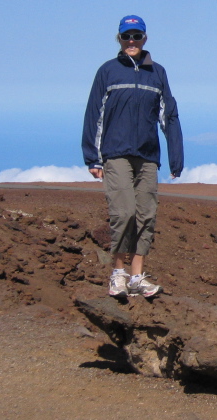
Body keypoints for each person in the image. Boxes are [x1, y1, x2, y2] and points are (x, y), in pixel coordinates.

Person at [82, 15, 184, 298]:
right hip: (115, 153)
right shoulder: (108, 71)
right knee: (123, 213)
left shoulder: (158, 73)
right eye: (126, 36)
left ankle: (137, 277)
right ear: (119, 39)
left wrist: (177, 156)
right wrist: (93, 157)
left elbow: (169, 116)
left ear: (145, 39)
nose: (131, 41)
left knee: (146, 216)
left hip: (148, 156)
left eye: (136, 36)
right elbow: (95, 114)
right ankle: (118, 274)